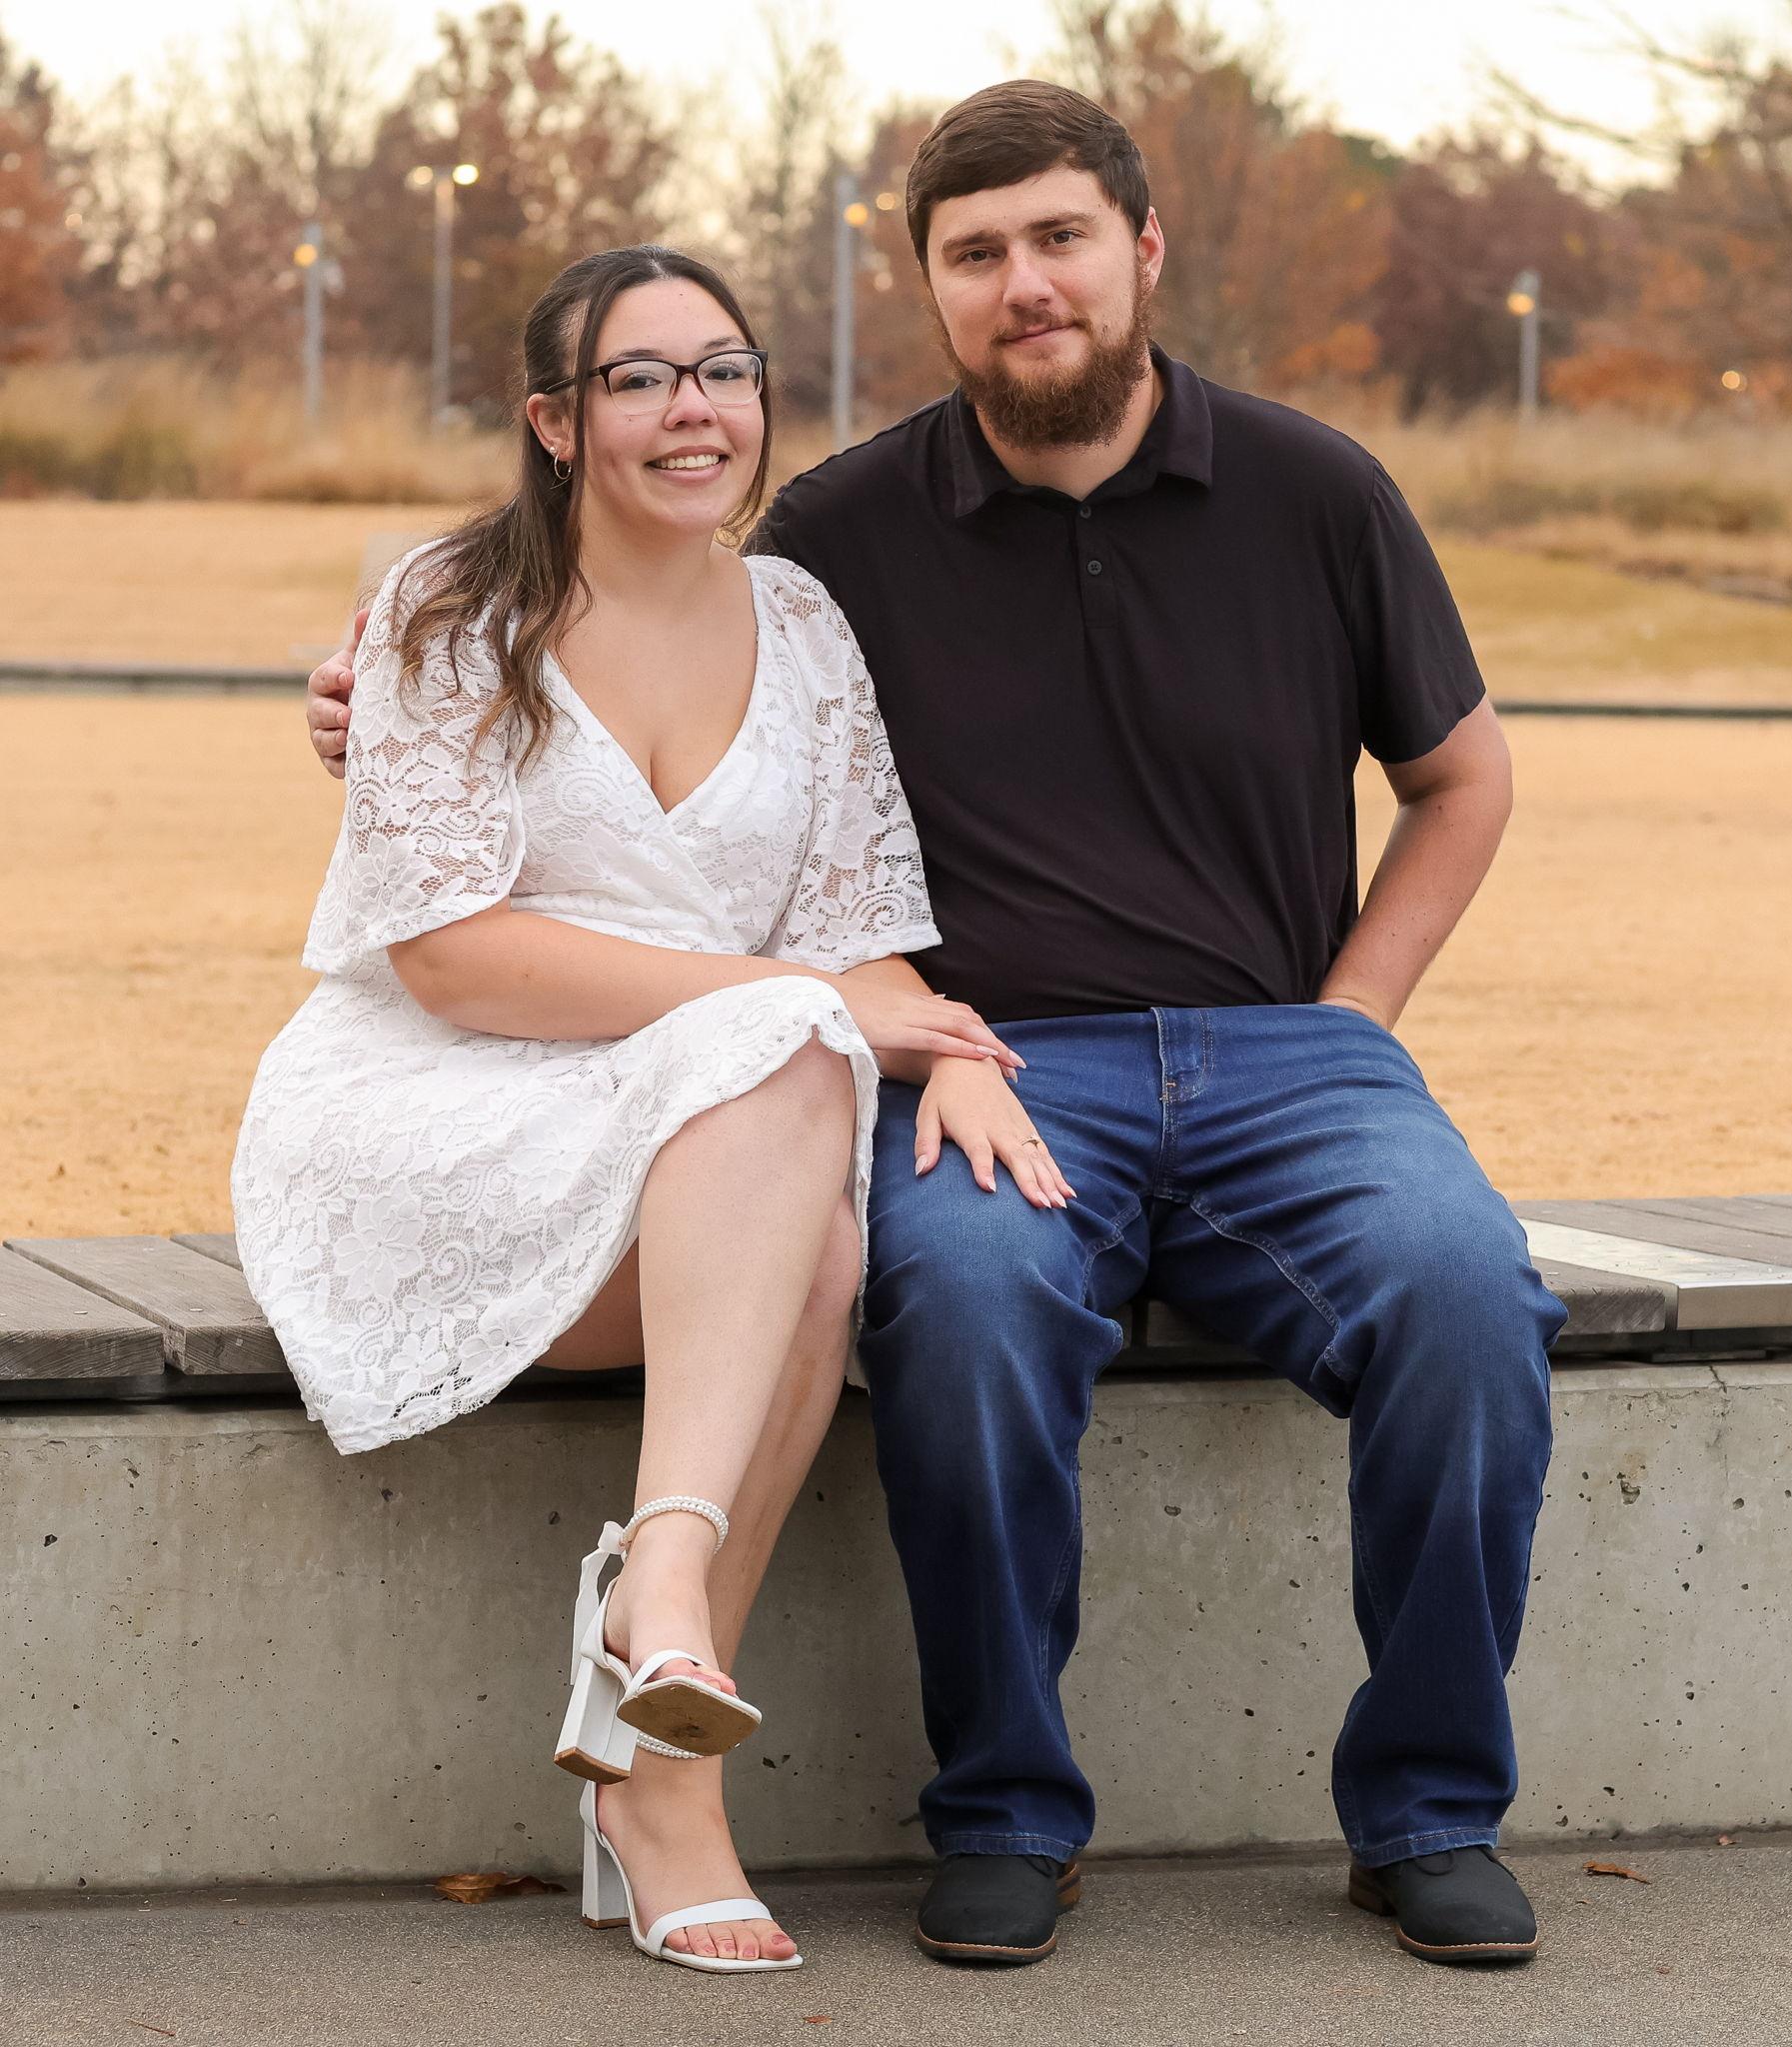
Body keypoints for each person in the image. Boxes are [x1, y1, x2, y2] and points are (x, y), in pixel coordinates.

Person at [307, 83, 1567, 1970]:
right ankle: (1002, 1809)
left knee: (1472, 1297)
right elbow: (627, 619)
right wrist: (371, 706)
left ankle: (1429, 1810)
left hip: (1294, 1058)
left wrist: (1352, 1022)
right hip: (981, 1059)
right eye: (975, 257)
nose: (1023, 286)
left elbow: (1462, 784)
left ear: (1142, 252)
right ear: (932, 292)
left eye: (1058, 240)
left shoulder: (1320, 491)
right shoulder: (838, 537)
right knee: (961, 1314)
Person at [240, 242, 1036, 1976]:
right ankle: (656, 1665)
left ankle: (663, 1689)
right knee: (784, 1079)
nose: (697, 409)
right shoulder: (451, 609)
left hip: (703, 1123)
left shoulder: (807, 626)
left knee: (815, 1219)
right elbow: (451, 961)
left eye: (727, 369)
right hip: (440, 1115)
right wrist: (799, 1008)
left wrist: (949, 1045)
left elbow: (856, 949)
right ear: (552, 419)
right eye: (640, 377)